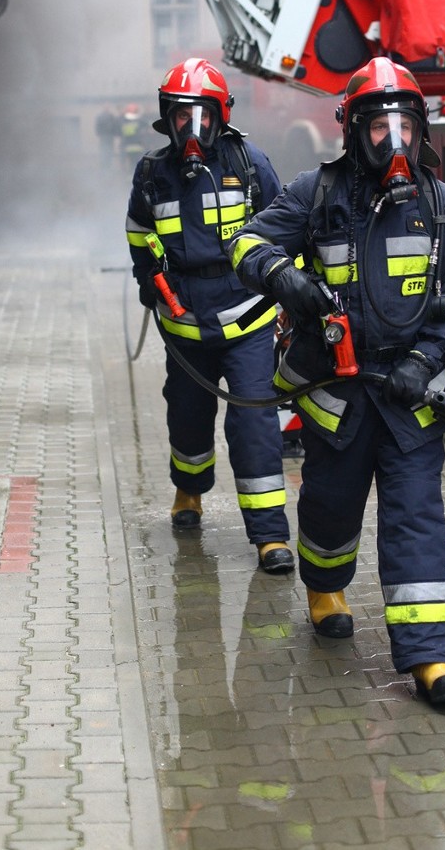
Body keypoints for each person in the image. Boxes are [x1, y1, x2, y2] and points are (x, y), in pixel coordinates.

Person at [226, 57, 445, 704]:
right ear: (353, 130)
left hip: (410, 400)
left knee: (417, 520)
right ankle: (324, 587)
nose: (393, 141)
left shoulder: (441, 204)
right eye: (379, 127)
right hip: (336, 397)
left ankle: (430, 657)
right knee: (328, 510)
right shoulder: (314, 194)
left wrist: (424, 361)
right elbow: (245, 245)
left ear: (421, 128)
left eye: (405, 124)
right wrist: (282, 276)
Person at [125, 57, 294, 573]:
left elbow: (287, 227)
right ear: (167, 117)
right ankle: (189, 492)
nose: (191, 128)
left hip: (247, 319)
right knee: (188, 417)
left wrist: (291, 294)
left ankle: (269, 536)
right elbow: (138, 229)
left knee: (255, 424)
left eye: (201, 114)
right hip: (184, 324)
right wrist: (147, 271)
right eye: (180, 115)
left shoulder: (249, 163)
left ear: (221, 114)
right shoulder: (154, 172)